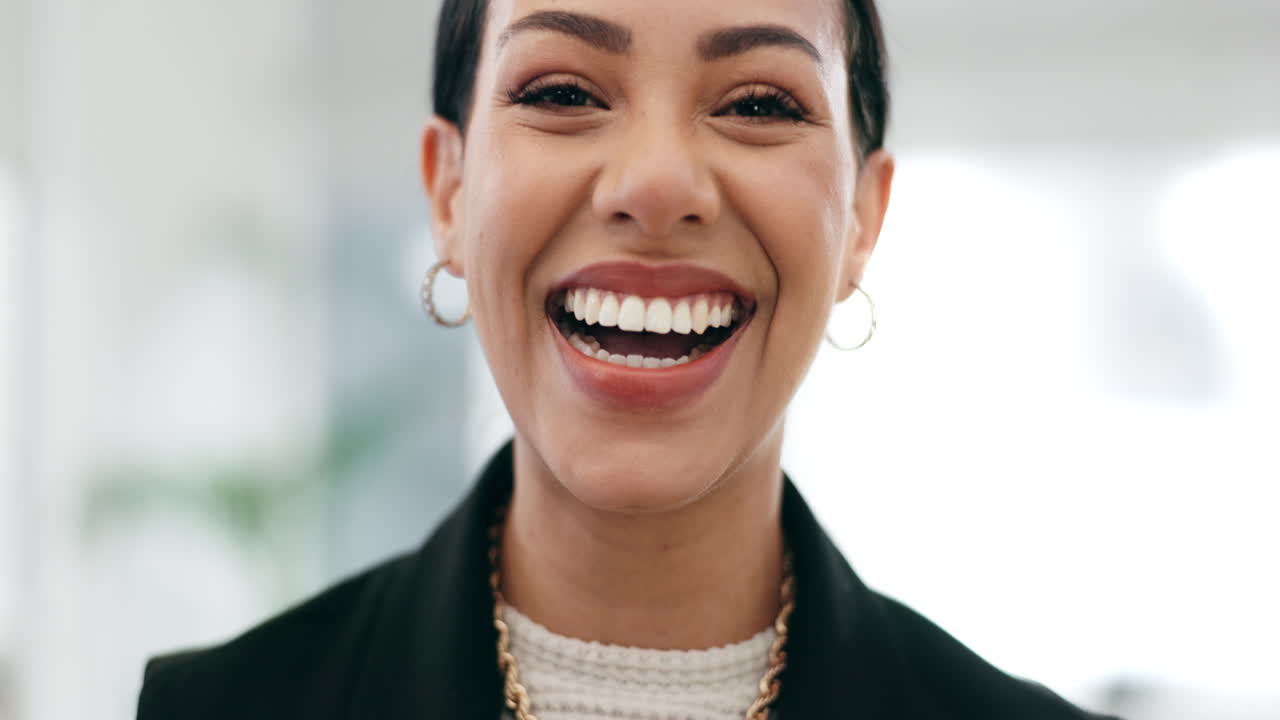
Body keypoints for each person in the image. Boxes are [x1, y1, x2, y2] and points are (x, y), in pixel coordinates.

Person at [137, 1, 1121, 718]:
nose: (654, 184)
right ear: (448, 192)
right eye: (562, 91)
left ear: (861, 219)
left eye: (757, 104)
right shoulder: (218, 708)